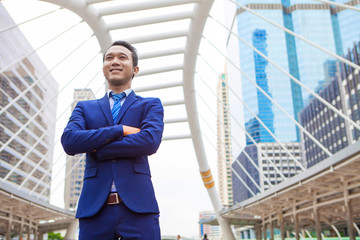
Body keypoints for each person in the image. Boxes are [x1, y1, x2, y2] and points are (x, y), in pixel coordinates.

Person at [61, 40, 164, 240]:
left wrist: (99, 149)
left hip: (139, 209)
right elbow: (70, 141)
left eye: (122, 57)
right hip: (94, 210)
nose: (114, 61)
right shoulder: (84, 107)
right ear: (103, 69)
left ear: (135, 69)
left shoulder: (150, 105)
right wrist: (121, 130)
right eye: (109, 58)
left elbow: (150, 141)